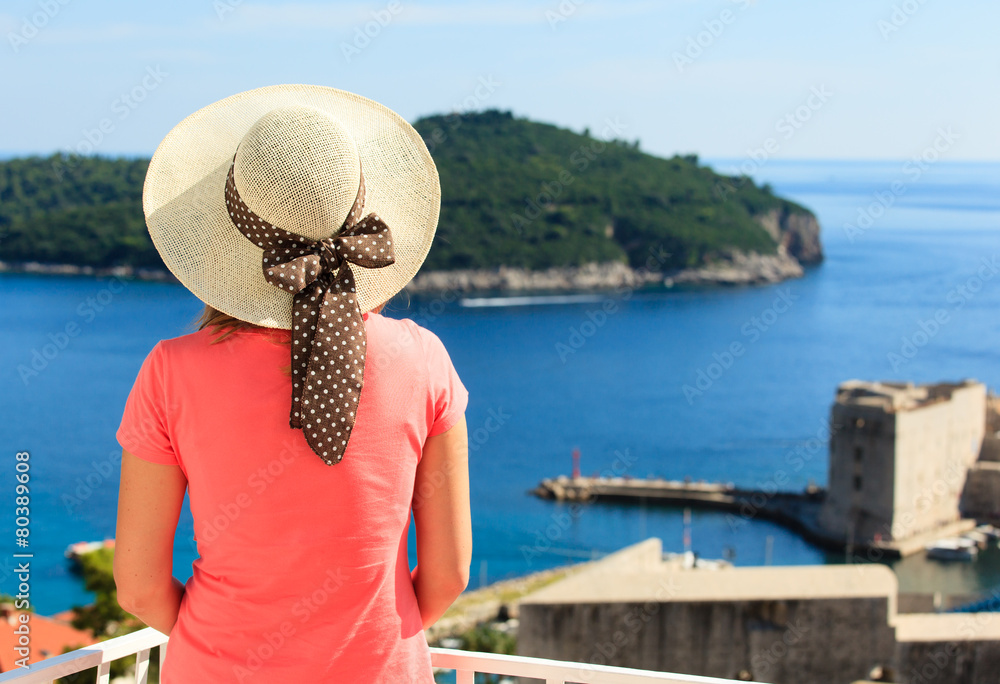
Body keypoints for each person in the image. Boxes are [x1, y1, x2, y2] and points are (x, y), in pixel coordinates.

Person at [112, 85, 471, 683]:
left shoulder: (171, 372)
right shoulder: (424, 360)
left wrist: (227, 641)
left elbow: (139, 587)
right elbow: (449, 575)